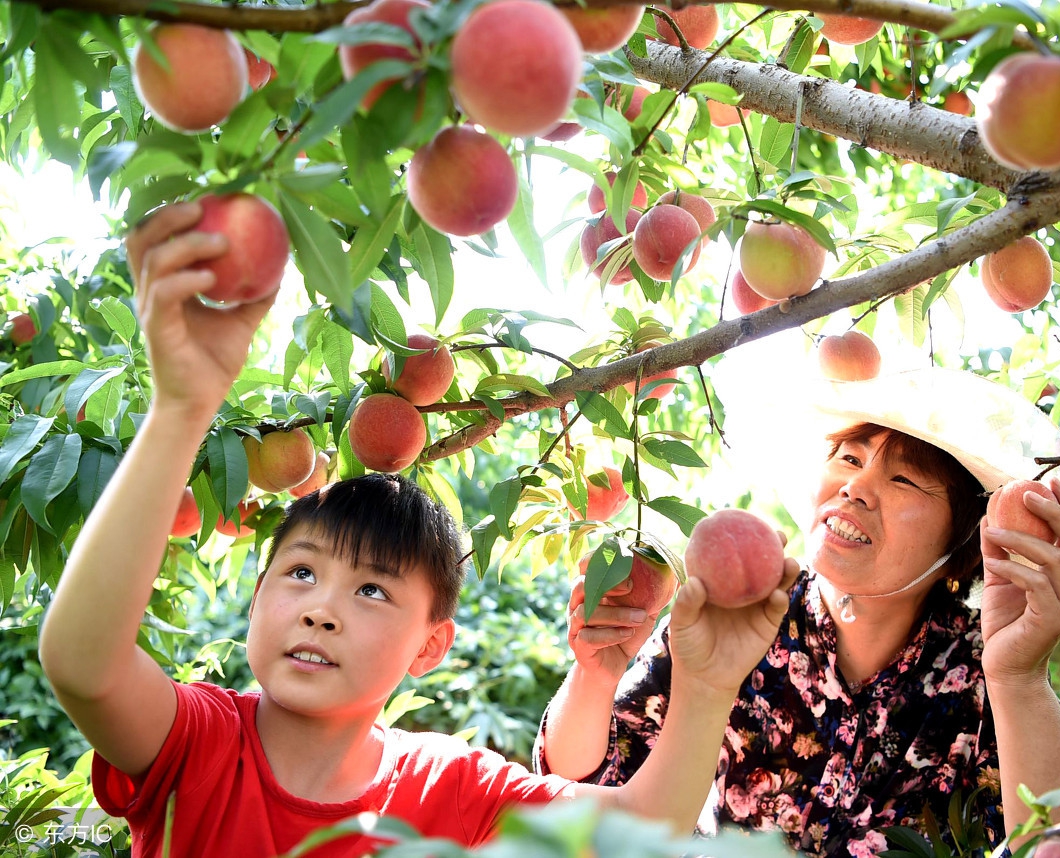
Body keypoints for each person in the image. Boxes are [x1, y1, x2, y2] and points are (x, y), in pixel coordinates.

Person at [36, 202, 800, 858]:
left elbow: (637, 829)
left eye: (371, 589)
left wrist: (706, 687)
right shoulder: (200, 742)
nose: (320, 609)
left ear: (431, 647)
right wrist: (181, 409)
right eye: (300, 573)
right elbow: (82, 663)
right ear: (256, 597)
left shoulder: (450, 787)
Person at [534, 367, 1060, 858]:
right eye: (850, 459)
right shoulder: (739, 617)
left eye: (904, 481)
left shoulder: (980, 677)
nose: (856, 488)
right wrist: (593, 675)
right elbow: (583, 786)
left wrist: (1020, 679)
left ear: (962, 543)